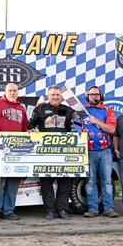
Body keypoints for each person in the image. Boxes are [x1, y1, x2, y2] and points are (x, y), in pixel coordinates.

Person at [27, 85, 74, 220]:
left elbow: (74, 129)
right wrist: (32, 132)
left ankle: (62, 210)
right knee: (46, 182)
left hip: (64, 152)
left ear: (61, 96)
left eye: (57, 95)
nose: (55, 97)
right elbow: (29, 127)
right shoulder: (40, 109)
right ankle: (49, 211)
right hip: (45, 153)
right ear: (48, 96)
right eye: (52, 95)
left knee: (65, 181)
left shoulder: (68, 110)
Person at [0, 83, 28, 222]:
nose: (12, 93)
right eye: (10, 90)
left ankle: (8, 211)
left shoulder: (21, 108)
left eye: (15, 91)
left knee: (13, 181)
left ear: (18, 93)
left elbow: (25, 128)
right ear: (5, 91)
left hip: (16, 150)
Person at [82, 86, 119, 218]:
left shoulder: (107, 110)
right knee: (90, 181)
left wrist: (96, 121)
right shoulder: (82, 111)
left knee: (107, 181)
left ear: (101, 96)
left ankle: (109, 209)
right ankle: (93, 209)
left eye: (96, 94)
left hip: (105, 152)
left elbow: (112, 130)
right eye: (91, 94)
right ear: (87, 96)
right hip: (88, 151)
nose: (94, 97)